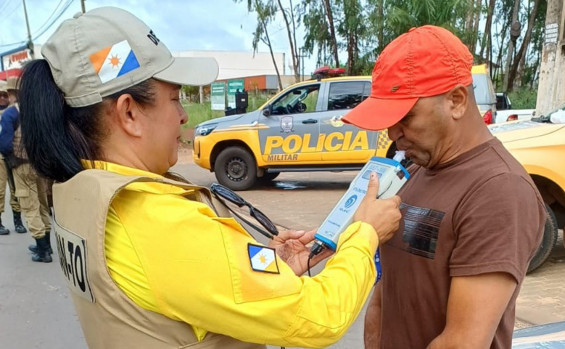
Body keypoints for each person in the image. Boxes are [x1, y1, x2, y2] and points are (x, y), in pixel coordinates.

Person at [18, 7, 402, 349]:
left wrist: (273, 269)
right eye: (175, 99)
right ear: (129, 113)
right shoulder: (157, 222)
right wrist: (364, 234)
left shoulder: (81, 190)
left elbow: (183, 288)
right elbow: (319, 317)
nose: (185, 116)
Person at [342, 25, 545, 349]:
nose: (393, 133)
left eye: (405, 116)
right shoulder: (416, 170)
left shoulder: (498, 192)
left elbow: (461, 342)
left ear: (456, 101)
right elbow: (387, 291)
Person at [0, 77, 50, 261]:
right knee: (42, 204)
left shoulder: (10, 114)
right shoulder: (35, 111)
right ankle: (48, 245)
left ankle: (42, 250)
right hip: (38, 164)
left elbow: (5, 144)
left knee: (30, 207)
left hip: (21, 165)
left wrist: (10, 158)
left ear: (12, 94)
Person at [0, 78, 27, 236]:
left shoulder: (15, 111)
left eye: (5, 95)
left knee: (17, 189)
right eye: (0, 95)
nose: (3, 98)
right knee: (0, 190)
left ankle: (18, 220)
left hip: (13, 155)